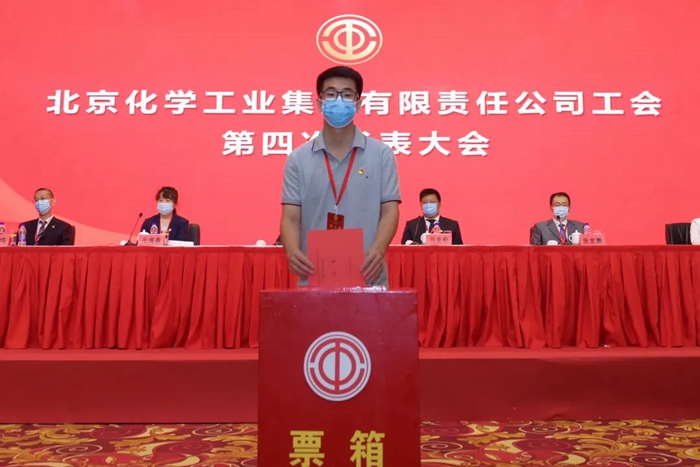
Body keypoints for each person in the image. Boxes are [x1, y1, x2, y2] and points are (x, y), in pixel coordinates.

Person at [280, 66, 401, 286]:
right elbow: (290, 218)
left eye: (346, 95)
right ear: (319, 103)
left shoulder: (381, 154)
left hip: (368, 276)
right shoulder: (298, 159)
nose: (339, 100)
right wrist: (292, 251)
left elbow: (390, 210)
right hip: (315, 275)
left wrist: (378, 249)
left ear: (358, 103)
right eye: (331, 93)